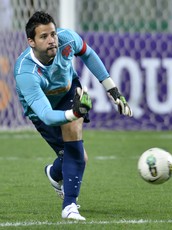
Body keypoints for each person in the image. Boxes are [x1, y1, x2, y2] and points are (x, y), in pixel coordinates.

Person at [14, 11, 132, 221]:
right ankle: (54, 173)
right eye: (44, 37)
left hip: (69, 92)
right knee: (79, 157)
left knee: (75, 144)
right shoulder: (26, 73)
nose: (52, 40)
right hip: (43, 109)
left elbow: (88, 53)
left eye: (53, 34)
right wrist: (74, 113)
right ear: (31, 41)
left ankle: (69, 206)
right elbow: (48, 116)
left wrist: (112, 90)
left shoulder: (67, 38)